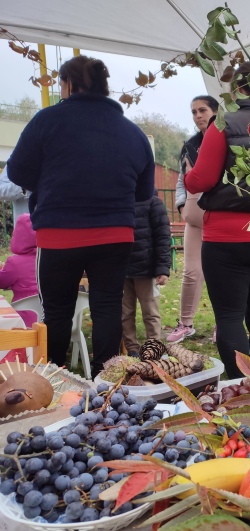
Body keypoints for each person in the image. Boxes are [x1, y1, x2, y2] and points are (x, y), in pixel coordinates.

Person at [5, 54, 155, 377]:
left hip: (59, 234)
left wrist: (45, 182)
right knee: (107, 307)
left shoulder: (46, 121)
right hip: (116, 235)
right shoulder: (133, 134)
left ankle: (56, 383)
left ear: (69, 84)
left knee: (56, 312)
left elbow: (16, 170)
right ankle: (108, 384)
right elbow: (144, 194)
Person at [184, 63, 250, 378]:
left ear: (236, 88)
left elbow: (201, 179)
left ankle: (242, 382)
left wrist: (189, 175)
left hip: (225, 237)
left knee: (229, 316)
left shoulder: (222, 123)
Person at [167, 95, 219, 344]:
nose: (198, 115)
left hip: (219, 217)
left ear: (216, 112)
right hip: (194, 218)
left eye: (203, 110)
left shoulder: (226, 140)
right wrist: (181, 205)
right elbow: (181, 180)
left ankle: (224, 324)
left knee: (221, 273)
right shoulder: (189, 146)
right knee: (191, 272)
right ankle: (185, 324)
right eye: (194, 112)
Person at [121, 195, 171, 357]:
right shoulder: (119, 199)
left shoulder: (153, 203)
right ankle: (132, 349)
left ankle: (154, 348)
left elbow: (163, 237)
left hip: (146, 268)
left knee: (150, 310)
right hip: (122, 267)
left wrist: (162, 268)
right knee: (125, 312)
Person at [0, 214, 38, 327]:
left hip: (24, 321)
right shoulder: (52, 259)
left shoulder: (14, 263)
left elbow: (3, 282)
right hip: (53, 319)